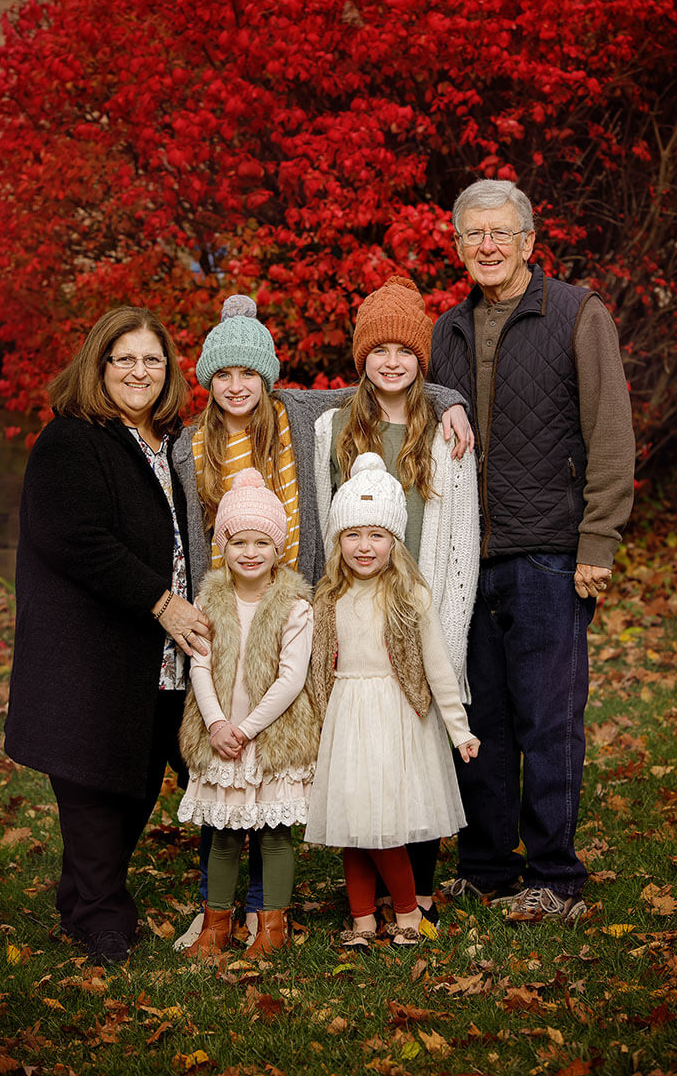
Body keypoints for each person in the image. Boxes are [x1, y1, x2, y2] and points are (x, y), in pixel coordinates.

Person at [171, 295, 474, 945]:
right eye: (223, 373)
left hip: (354, 609)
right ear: (206, 379)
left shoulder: (301, 411)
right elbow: (196, 546)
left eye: (249, 372)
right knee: (237, 750)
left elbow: (385, 370)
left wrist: (451, 397)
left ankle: (331, 904)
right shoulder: (194, 447)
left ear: (269, 377)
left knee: (345, 760)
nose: (237, 386)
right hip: (245, 614)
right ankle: (224, 904)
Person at [429, 179, 635, 925]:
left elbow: (610, 431)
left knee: (549, 717)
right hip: (466, 558)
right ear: (459, 248)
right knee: (479, 719)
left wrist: (598, 543)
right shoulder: (447, 329)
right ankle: (487, 866)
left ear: (526, 243)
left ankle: (556, 877)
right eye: (472, 236)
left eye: (500, 234)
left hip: (549, 551)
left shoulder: (577, 313)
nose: (486, 247)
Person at [4, 306, 210, 966]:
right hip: (93, 654)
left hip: (156, 659)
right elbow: (76, 538)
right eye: (125, 359)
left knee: (137, 780)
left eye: (153, 360)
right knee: (94, 783)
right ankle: (101, 916)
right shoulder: (72, 440)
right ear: (99, 365)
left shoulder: (171, 443)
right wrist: (162, 602)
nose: (140, 372)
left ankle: (84, 895)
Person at [312, 275, 479, 931]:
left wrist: (446, 634)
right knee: (365, 759)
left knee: (419, 755)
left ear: (421, 359)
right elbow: (274, 392)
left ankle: (420, 890)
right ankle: (373, 897)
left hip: (423, 606)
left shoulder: (446, 433)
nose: (390, 361)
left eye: (403, 350)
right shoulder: (332, 426)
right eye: (376, 350)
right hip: (354, 610)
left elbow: (461, 541)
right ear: (361, 359)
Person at [305, 455, 480, 949]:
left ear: (395, 541)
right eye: (353, 535)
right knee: (351, 825)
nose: (364, 547)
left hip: (398, 718)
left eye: (377, 535)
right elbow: (313, 668)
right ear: (338, 542)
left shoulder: (409, 597)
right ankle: (362, 920)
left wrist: (459, 728)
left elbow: (438, 669)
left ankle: (407, 914)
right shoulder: (327, 600)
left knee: (385, 827)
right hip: (346, 715)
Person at [177, 468, 318, 960]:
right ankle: (216, 926)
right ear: (224, 547)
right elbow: (199, 664)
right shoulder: (211, 599)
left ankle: (272, 928)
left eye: (262, 542)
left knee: (275, 836)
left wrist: (246, 728)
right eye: (239, 542)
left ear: (279, 549)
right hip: (222, 737)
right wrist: (216, 724)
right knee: (224, 834)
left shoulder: (294, 606)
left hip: (269, 736)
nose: (250, 552)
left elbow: (290, 678)